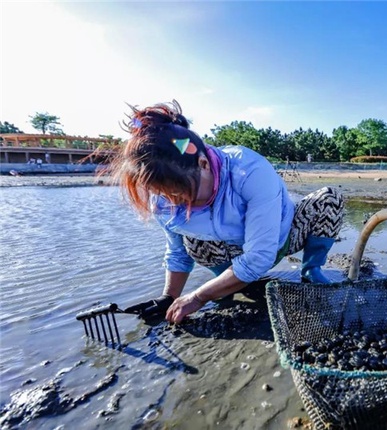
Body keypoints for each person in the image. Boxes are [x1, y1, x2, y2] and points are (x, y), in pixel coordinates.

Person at [107, 101, 344, 324]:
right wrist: (168, 298)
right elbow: (178, 253)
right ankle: (232, 282)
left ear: (203, 164)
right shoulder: (162, 199)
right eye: (164, 194)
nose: (174, 203)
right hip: (229, 250)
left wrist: (199, 297)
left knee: (329, 198)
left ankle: (311, 269)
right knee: (193, 242)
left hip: (284, 237)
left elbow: (260, 256)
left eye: (180, 193)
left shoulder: (249, 171)